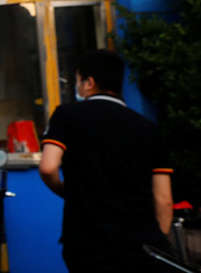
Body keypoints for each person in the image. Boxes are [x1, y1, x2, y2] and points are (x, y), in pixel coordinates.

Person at [38, 50, 173, 272]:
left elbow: (48, 166)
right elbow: (164, 200)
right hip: (141, 247)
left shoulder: (67, 115)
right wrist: (157, 246)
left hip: (87, 246)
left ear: (89, 83)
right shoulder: (149, 129)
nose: (77, 87)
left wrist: (66, 190)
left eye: (78, 81)